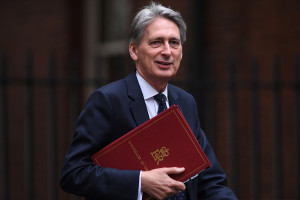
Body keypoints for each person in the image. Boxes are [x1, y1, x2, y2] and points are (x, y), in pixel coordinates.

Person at [60, 2, 237, 200]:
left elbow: (210, 180)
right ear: (134, 50)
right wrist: (140, 181)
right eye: (156, 42)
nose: (167, 51)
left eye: (174, 42)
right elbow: (74, 173)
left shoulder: (186, 102)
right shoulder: (107, 101)